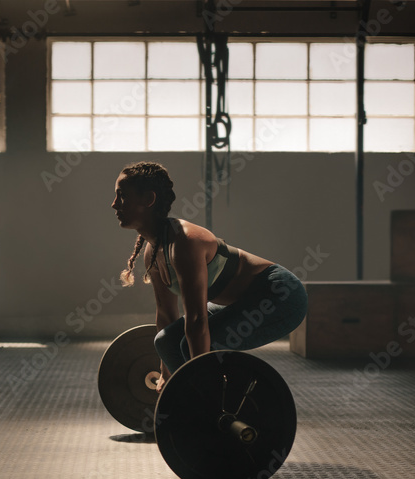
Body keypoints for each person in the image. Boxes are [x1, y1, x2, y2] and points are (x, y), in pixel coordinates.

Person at [112, 161, 309, 391]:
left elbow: (196, 320)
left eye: (122, 196)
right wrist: (166, 376)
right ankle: (189, 400)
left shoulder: (185, 241)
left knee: (195, 346)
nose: (114, 204)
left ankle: (212, 399)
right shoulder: (153, 251)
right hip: (239, 302)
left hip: (281, 296)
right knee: (165, 341)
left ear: (148, 200)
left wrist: (202, 383)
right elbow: (166, 316)